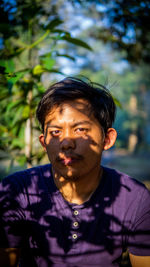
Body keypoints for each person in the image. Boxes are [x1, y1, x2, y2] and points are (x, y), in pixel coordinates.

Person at [0, 77, 150, 267]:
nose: (66, 142)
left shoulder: (135, 199)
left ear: (107, 139)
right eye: (55, 132)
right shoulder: (17, 191)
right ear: (44, 142)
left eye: (80, 129)